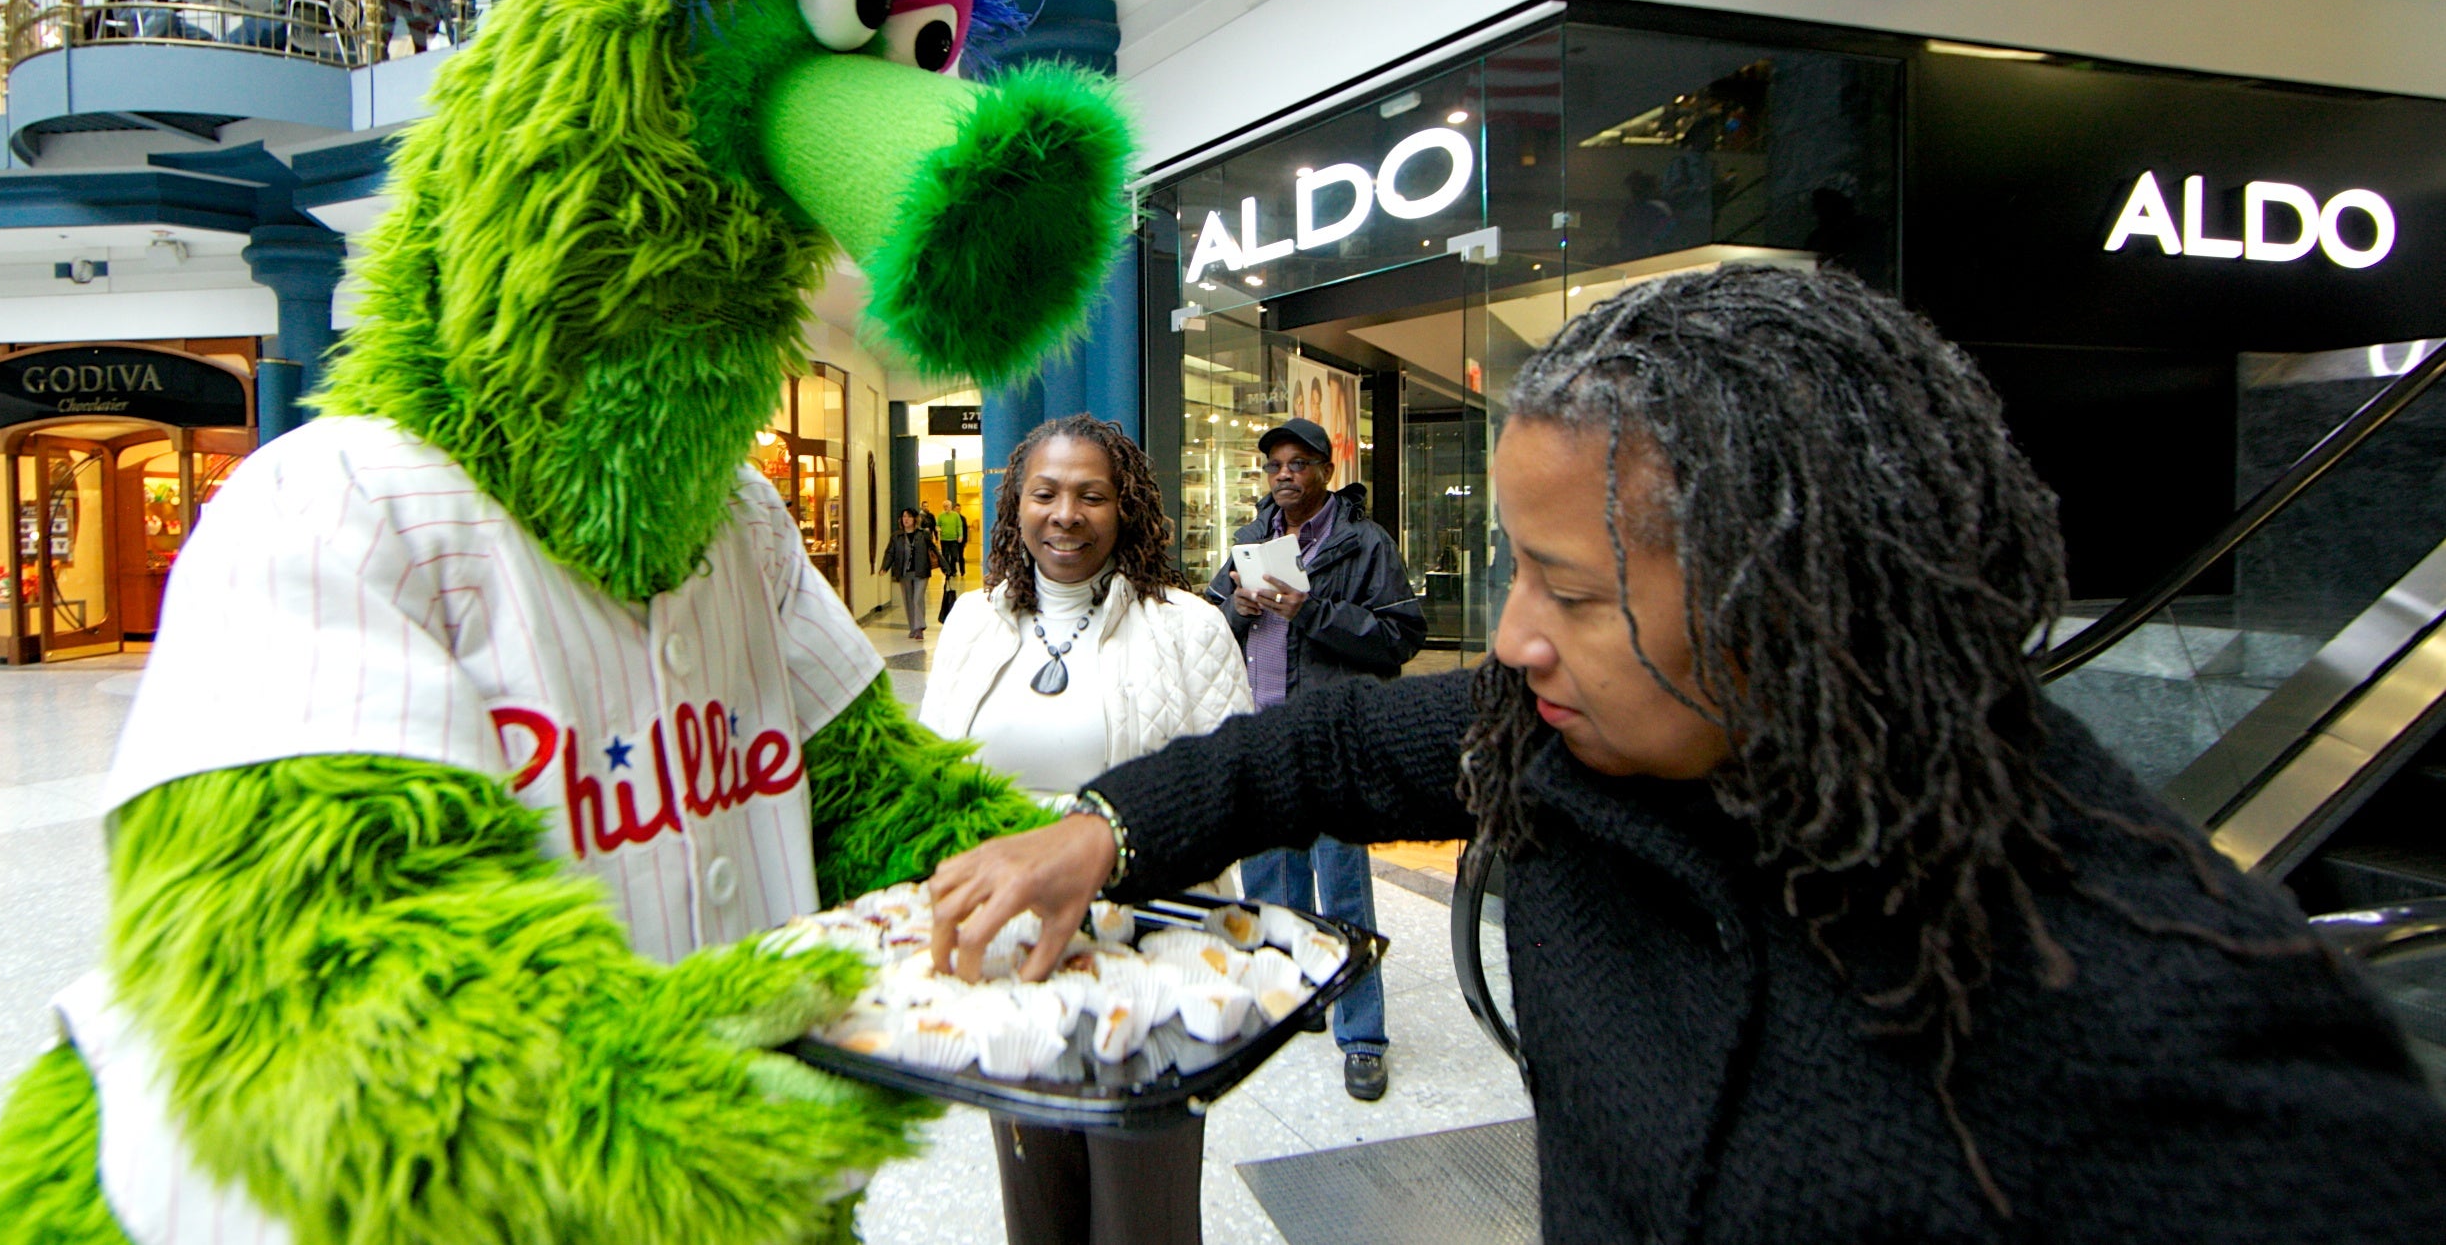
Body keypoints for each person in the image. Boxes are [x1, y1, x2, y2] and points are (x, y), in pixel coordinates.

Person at [927, 265, 2446, 1245]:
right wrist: (1099, 834)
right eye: (1515, 570)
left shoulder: (2197, 1044)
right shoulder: (1564, 742)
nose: (1511, 638)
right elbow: (1303, 748)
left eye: (1573, 591)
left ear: (1791, 595)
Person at [919, 413, 1251, 1245]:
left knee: (1146, 1213)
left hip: (1149, 952)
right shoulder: (971, 621)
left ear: (1125, 507)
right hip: (1014, 959)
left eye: (1091, 495)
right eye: (1046, 492)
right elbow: (936, 777)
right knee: (1037, 1200)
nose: (1066, 513)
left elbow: (1234, 789)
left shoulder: (1186, 626)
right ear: (1017, 504)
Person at [1203, 414, 1424, 1100]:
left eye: (1298, 463)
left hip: (1332, 734)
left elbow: (1400, 634)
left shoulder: (1364, 542)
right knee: (1271, 877)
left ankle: (1362, 1036)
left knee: (1343, 883)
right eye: (1274, 466)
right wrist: (1236, 605)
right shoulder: (1252, 537)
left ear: (1326, 469)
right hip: (1264, 731)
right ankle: (1297, 996)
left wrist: (1313, 610)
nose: (1284, 476)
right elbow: (1211, 621)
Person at [880, 506, 939, 638]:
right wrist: (885, 566)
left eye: (909, 516)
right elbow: (890, 552)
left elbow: (934, 550)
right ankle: (913, 627)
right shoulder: (896, 537)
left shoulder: (923, 534)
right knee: (908, 600)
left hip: (921, 571)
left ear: (915, 519)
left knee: (917, 599)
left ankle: (919, 628)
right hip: (904, 573)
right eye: (904, 517)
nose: (906, 519)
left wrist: (946, 567)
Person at [932, 497, 968, 582]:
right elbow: (937, 525)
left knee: (954, 556)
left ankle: (953, 569)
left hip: (953, 539)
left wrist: (960, 536)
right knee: (945, 555)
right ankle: (948, 571)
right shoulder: (941, 516)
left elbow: (959, 526)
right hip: (944, 539)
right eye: (944, 506)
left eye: (947, 506)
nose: (946, 508)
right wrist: (937, 529)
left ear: (951, 506)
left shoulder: (955, 515)